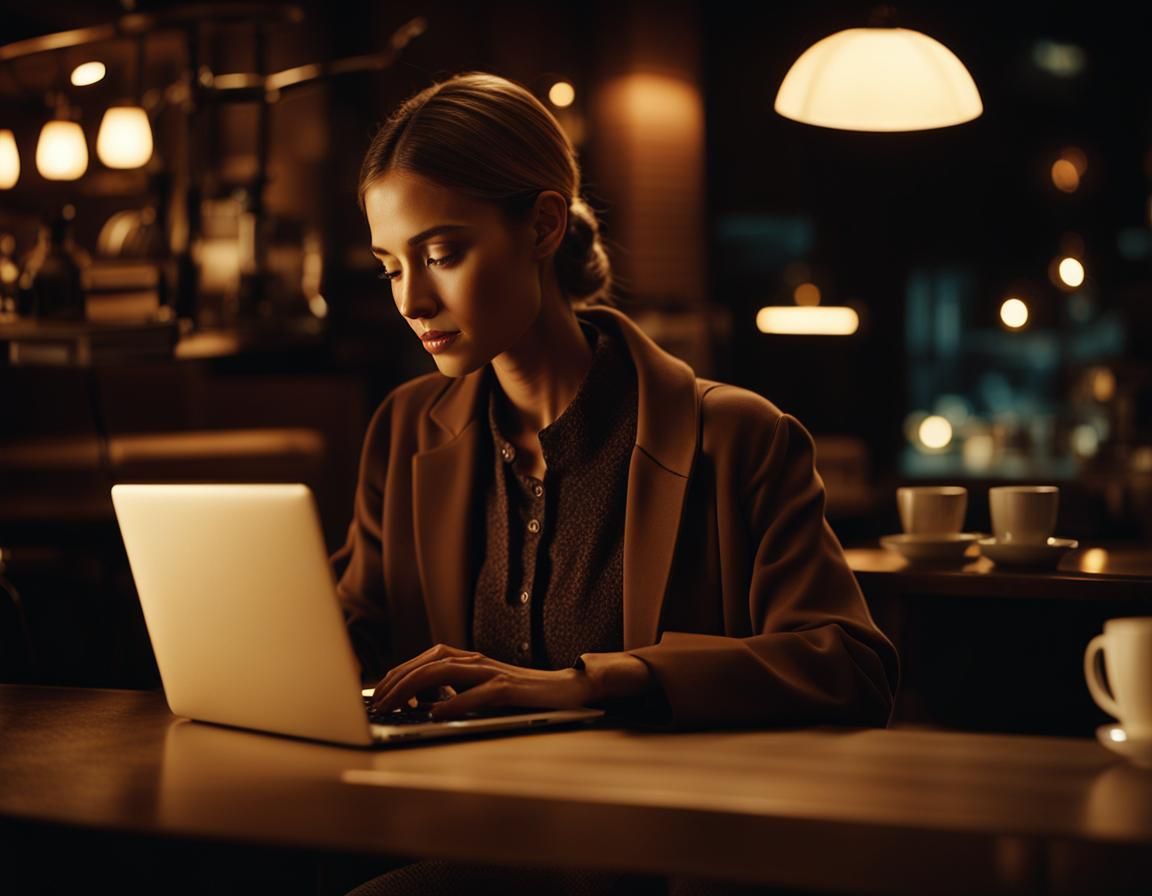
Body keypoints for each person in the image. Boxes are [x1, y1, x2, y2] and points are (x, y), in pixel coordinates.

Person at [331, 71, 898, 895]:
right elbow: (358, 633)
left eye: (442, 254)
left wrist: (589, 682)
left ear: (544, 225)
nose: (413, 298)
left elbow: (850, 667)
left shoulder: (738, 436)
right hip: (460, 833)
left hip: (656, 858)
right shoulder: (405, 428)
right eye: (390, 267)